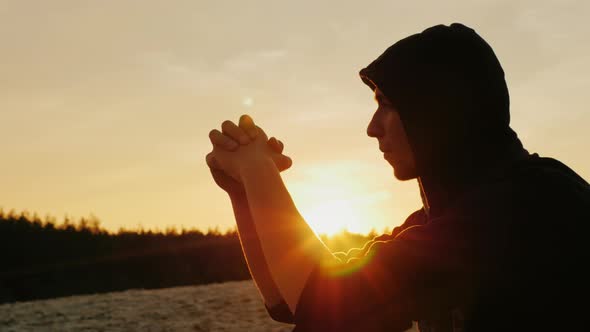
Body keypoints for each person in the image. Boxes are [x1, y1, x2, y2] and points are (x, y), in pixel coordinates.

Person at [205, 23, 590, 331]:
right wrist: (244, 192)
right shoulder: (444, 219)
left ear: (438, 111)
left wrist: (256, 168)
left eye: (387, 106)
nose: (372, 128)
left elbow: (322, 300)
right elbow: (292, 304)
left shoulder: (532, 203)